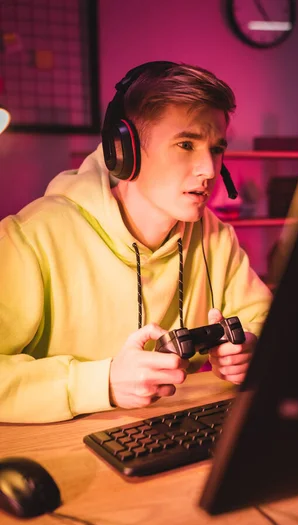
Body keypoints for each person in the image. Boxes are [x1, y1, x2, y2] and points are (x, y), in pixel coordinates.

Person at [0, 61, 272, 424]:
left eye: (216, 148)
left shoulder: (215, 236)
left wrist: (249, 349)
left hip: (173, 445)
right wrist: (102, 382)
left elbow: (270, 321)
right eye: (186, 144)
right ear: (123, 150)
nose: (208, 168)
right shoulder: (31, 237)